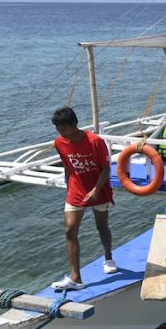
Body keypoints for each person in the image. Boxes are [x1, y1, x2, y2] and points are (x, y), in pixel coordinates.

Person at [50, 107, 116, 291]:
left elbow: (106, 168)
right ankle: (76, 278)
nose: (62, 133)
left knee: (102, 227)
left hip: (99, 191)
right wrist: (68, 187)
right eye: (58, 129)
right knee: (69, 230)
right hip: (76, 191)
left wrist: (96, 189)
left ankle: (108, 257)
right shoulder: (59, 143)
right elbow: (67, 166)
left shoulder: (95, 141)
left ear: (74, 124)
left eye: (64, 129)